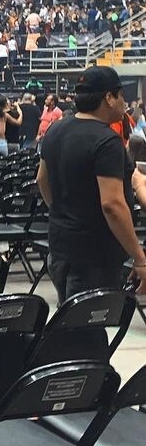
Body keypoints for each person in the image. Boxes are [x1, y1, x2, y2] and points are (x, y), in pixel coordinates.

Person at [36, 66, 146, 304]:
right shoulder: (107, 141)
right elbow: (112, 205)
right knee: (90, 323)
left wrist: (64, 212)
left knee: (69, 317)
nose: (124, 102)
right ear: (109, 98)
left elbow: (41, 180)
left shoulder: (56, 129)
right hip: (94, 255)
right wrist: (139, 258)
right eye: (121, 96)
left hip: (60, 245)